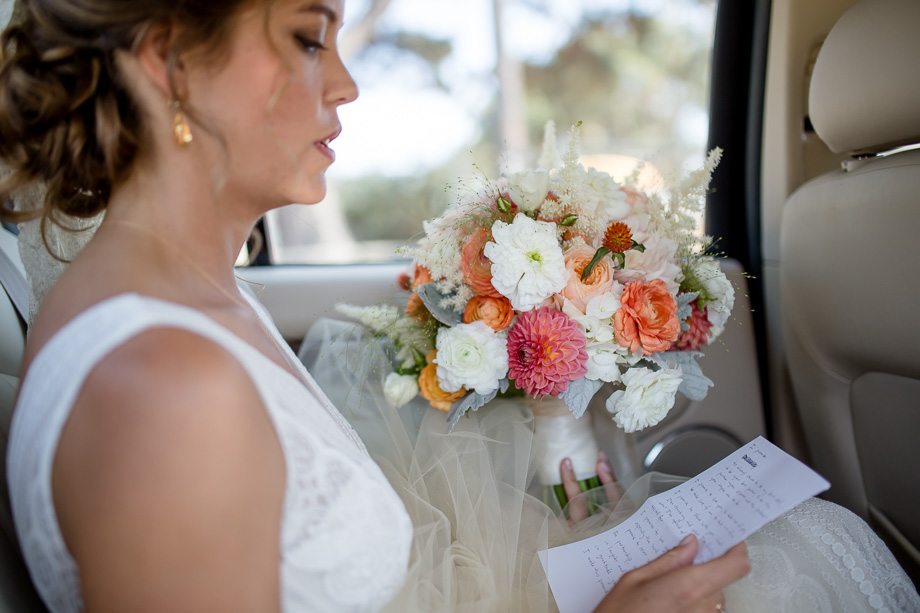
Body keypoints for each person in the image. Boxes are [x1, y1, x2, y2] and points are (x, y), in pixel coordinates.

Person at [0, 1, 914, 612]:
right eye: (308, 38)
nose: (347, 83)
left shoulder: (202, 299)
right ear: (169, 63)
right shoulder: (166, 388)